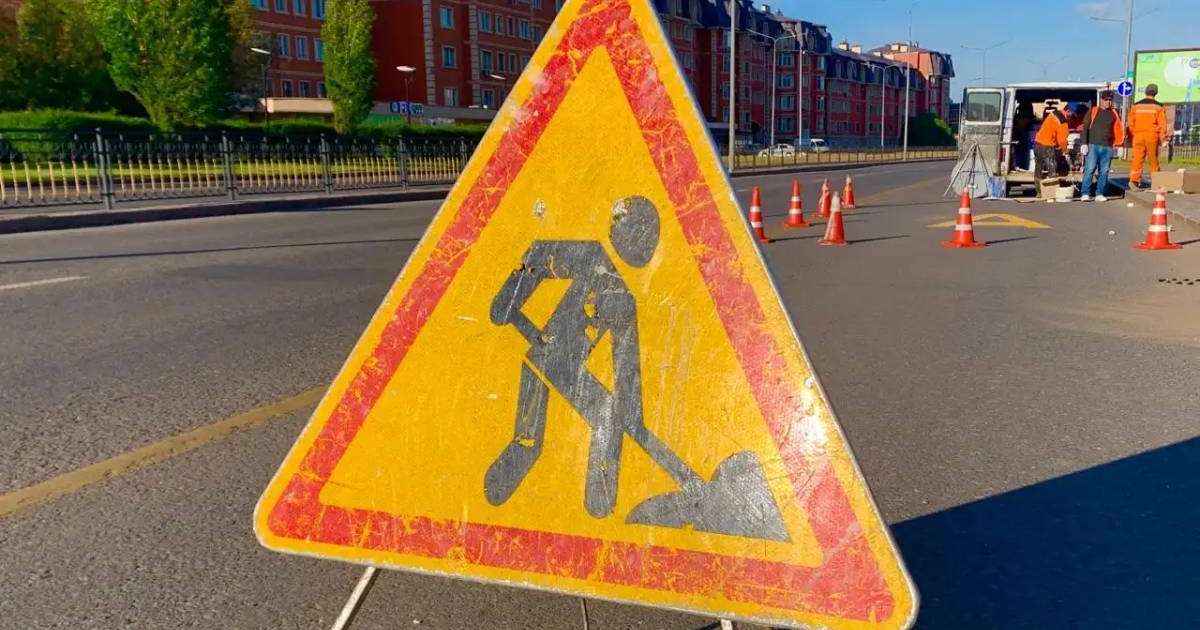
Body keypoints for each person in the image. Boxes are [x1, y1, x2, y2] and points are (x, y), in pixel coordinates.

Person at [1079, 90, 1126, 202]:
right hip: (1093, 145)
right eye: (1106, 100)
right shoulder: (1093, 111)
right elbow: (1085, 127)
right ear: (1101, 100)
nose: (1108, 102)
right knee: (1090, 169)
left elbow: (1118, 130)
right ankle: (1085, 193)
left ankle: (1100, 193)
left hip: (1108, 147)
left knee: (1104, 171)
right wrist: (1084, 143)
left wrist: (1120, 145)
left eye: (1110, 100)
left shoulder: (1114, 113)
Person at [1127, 83, 1169, 190]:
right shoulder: (1159, 107)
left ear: (1145, 92)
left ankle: (1134, 181)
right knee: (1153, 160)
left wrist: (1135, 133)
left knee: (1137, 159)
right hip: (1152, 136)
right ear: (1156, 93)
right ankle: (1156, 183)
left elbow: (1130, 124)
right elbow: (1162, 125)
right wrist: (1163, 138)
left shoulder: (1136, 106)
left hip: (1138, 135)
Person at [1033, 104, 1082, 194]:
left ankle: (1039, 192)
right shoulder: (1063, 122)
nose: (1071, 118)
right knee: (1052, 169)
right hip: (1047, 146)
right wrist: (1065, 151)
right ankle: (1051, 193)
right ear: (1068, 111)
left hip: (1037, 144)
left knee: (1038, 169)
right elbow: (1062, 141)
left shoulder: (1053, 113)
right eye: (1072, 115)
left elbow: (1053, 132)